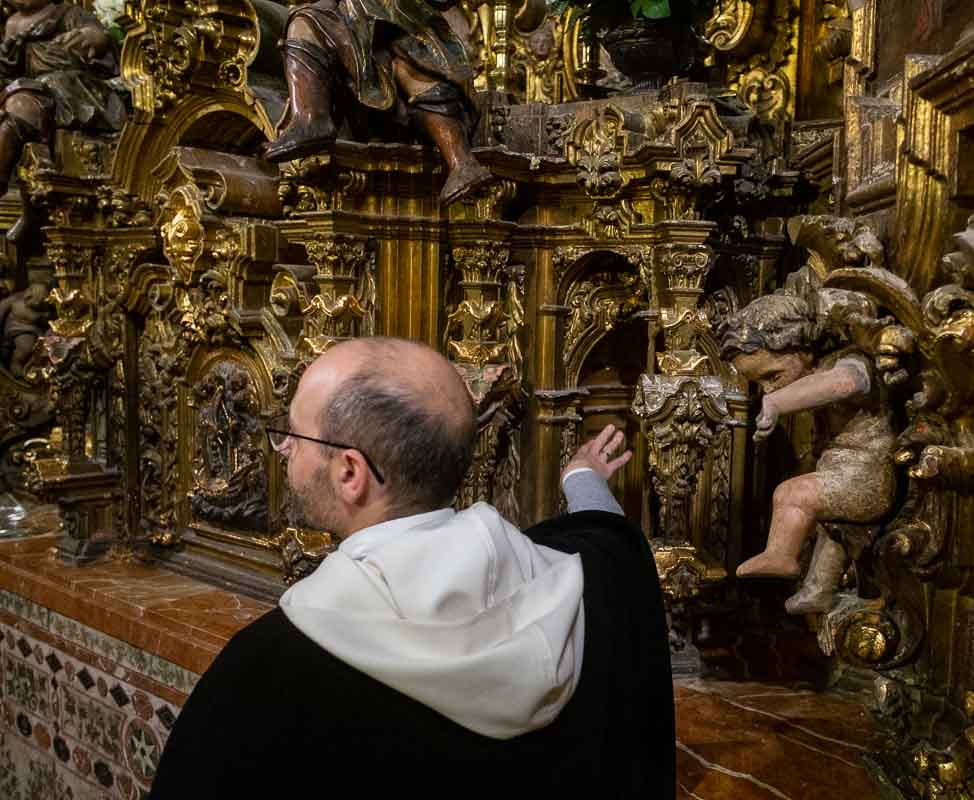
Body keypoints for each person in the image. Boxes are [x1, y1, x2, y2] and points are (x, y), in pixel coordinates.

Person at [148, 337, 674, 798]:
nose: (285, 448)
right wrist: (583, 476)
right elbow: (610, 537)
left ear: (351, 472)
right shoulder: (591, 581)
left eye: (294, 434)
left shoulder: (266, 671)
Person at [721, 281, 897, 615]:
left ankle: (781, 556)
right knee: (831, 528)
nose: (769, 387)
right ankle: (819, 589)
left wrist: (776, 402)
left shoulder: (849, 362)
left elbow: (847, 383)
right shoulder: (816, 371)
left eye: (772, 375)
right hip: (844, 471)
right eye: (760, 383)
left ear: (801, 348)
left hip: (868, 475)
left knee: (792, 495)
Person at [261, 0, 493, 204]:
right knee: (303, 22)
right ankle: (310, 120)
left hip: (406, 22)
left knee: (411, 66)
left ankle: (461, 161)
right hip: (354, 26)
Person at [0, 0, 124, 240]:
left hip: (69, 85)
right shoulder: (13, 24)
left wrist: (93, 37)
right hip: (28, 86)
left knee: (22, 104)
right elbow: (9, 64)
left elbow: (100, 39)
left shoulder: (67, 13)